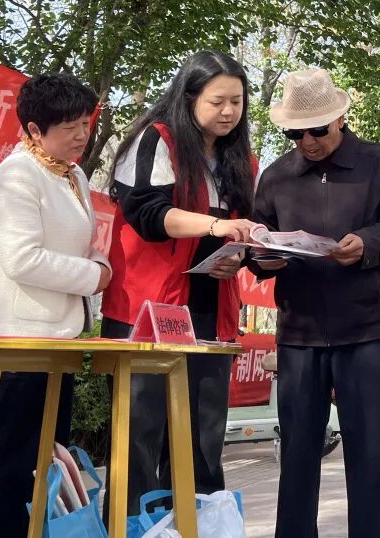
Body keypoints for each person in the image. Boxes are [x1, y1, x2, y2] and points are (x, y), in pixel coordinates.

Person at [246, 67, 380, 538]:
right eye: (296, 133)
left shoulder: (379, 163)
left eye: (318, 130)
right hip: (299, 331)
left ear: (340, 117)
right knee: (297, 455)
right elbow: (258, 242)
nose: (307, 141)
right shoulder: (276, 177)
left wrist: (368, 243)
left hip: (366, 329)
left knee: (373, 455)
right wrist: (262, 259)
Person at [101, 51, 257, 514]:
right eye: (216, 101)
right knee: (140, 435)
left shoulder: (241, 160)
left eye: (236, 102)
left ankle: (198, 523)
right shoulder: (156, 140)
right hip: (149, 313)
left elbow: (244, 227)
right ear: (188, 98)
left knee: (203, 440)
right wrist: (214, 226)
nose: (228, 112)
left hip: (211, 312)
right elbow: (147, 214)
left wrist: (239, 255)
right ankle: (133, 526)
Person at [0, 74, 111, 538]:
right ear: (33, 129)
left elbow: (80, 246)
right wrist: (93, 276)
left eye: (85, 123)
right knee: (9, 462)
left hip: (57, 337)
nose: (81, 135)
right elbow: (21, 258)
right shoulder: (16, 176)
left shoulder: (74, 175)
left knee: (46, 459)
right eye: (69, 127)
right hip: (19, 337)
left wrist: (100, 265)